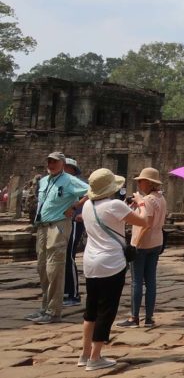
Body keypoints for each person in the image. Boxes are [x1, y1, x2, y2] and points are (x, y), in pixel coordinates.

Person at [79, 168, 147, 371]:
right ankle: (95, 357)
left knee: (90, 310)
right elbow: (143, 221)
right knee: (106, 311)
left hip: (90, 262)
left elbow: (109, 219)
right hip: (111, 263)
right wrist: (141, 203)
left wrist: (128, 208)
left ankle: (84, 354)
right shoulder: (115, 205)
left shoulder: (87, 206)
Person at [25, 152, 88, 324]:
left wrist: (75, 206)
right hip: (43, 226)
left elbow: (92, 192)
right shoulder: (44, 180)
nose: (51, 164)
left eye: (54, 162)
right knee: (42, 267)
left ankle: (54, 311)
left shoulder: (69, 180)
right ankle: (45, 308)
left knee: (54, 268)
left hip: (58, 225)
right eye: (49, 161)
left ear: (62, 163)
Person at [118, 167, 167, 328]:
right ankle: (149, 317)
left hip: (143, 242)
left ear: (149, 183)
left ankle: (134, 317)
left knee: (137, 281)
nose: (139, 184)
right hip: (156, 242)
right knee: (151, 280)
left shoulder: (147, 201)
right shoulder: (161, 198)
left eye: (141, 181)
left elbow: (145, 223)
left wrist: (136, 244)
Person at [62, 158, 87, 307]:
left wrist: (77, 206)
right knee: (61, 258)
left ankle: (74, 294)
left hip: (75, 222)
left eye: (65, 167)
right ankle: (64, 291)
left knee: (68, 257)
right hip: (61, 222)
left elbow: (91, 193)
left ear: (72, 169)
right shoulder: (61, 182)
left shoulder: (76, 181)